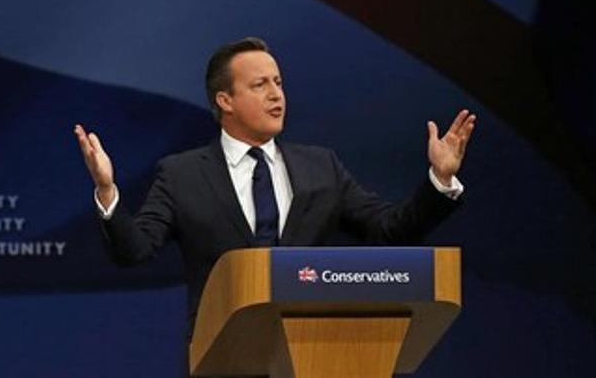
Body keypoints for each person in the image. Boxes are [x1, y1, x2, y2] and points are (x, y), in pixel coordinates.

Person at [73, 36, 474, 338]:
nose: (276, 94)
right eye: (260, 84)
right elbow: (135, 250)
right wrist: (108, 192)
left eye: (278, 82)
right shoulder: (181, 174)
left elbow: (390, 231)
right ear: (225, 101)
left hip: (315, 349)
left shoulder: (322, 167)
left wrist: (439, 180)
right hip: (223, 355)